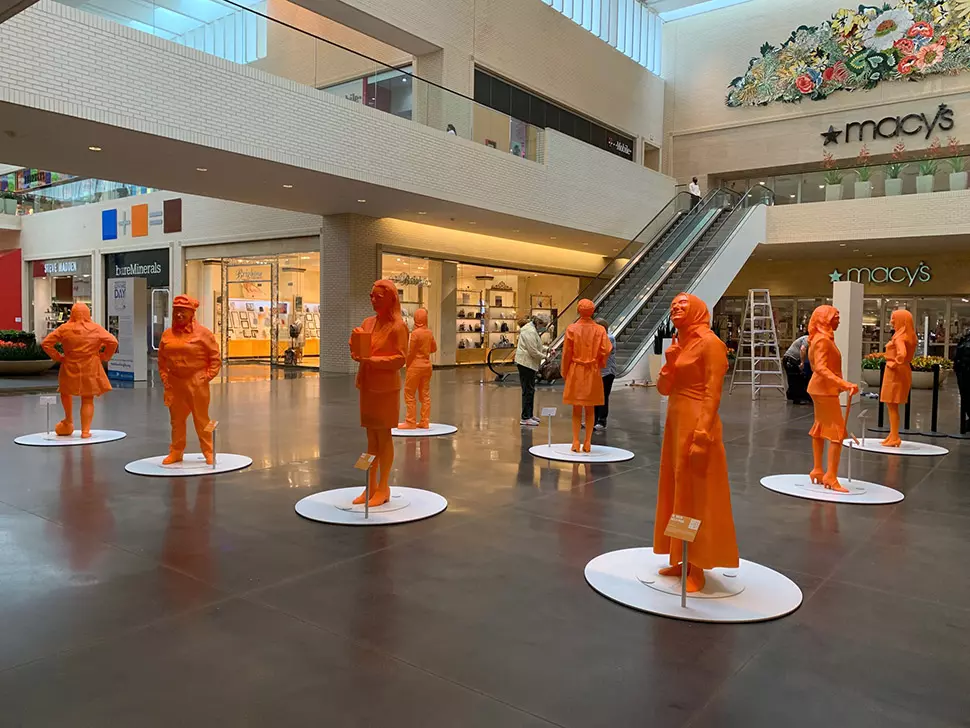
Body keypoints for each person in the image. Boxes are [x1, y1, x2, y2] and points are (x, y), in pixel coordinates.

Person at [653, 293, 737, 593]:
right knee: (678, 489)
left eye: (682, 305)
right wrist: (669, 363)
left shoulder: (711, 344)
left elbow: (713, 392)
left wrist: (702, 435)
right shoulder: (680, 345)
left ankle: (698, 563)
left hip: (697, 423)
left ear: (698, 310)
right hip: (676, 422)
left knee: (696, 492)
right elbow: (664, 389)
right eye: (673, 304)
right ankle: (681, 555)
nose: (675, 308)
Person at [350, 280, 409, 506]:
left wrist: (371, 360)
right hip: (367, 386)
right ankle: (370, 485)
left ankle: (383, 487)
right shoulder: (368, 322)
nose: (373, 301)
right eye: (371, 296)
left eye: (378, 297)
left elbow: (400, 359)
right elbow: (359, 346)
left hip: (385, 389)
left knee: (383, 437)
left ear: (391, 299)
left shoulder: (398, 327)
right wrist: (355, 346)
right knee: (370, 439)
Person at [158, 295, 221, 465]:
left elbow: (215, 358)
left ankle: (209, 451)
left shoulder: (203, 334)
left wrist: (207, 376)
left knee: (202, 419)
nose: (178, 315)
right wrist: (166, 379)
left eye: (183, 311)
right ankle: (176, 451)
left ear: (191, 313)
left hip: (196, 381)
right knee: (176, 420)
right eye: (176, 311)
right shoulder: (167, 334)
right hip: (175, 382)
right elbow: (162, 360)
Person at [41, 302, 118, 438]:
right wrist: (105, 356)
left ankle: (68, 420)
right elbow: (113, 342)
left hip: (69, 365)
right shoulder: (96, 328)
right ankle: (85, 431)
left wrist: (58, 357)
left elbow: (46, 343)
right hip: (91, 367)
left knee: (65, 393)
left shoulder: (64, 329)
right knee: (88, 399)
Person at [806, 305, 859, 493]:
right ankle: (830, 475)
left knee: (820, 427)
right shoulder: (822, 340)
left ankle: (818, 470)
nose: (838, 320)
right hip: (824, 390)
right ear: (825, 319)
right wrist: (843, 383)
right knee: (837, 431)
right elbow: (820, 367)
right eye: (835, 317)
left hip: (821, 389)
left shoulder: (819, 339)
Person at [562, 300, 612, 452]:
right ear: (593, 311)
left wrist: (565, 371)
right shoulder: (600, 330)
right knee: (590, 408)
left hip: (576, 370)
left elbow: (566, 353)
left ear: (578, 311)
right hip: (592, 370)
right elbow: (607, 349)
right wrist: (600, 362)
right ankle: (588, 442)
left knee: (576, 408)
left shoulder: (572, 329)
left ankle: (576, 441)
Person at [879, 309, 917, 448]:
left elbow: (902, 353)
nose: (891, 322)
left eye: (894, 319)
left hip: (895, 372)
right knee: (892, 405)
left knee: (891, 404)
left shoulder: (899, 337)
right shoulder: (909, 336)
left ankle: (894, 436)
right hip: (902, 370)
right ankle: (893, 434)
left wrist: (894, 362)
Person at [398, 307, 437, 430]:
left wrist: (407, 364)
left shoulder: (415, 334)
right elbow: (434, 349)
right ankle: (425, 421)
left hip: (415, 366)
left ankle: (410, 421)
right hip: (427, 366)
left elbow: (411, 352)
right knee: (425, 394)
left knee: (409, 393)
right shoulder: (429, 333)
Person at [515, 315, 546, 426]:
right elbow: (533, 351)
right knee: (527, 391)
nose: (544, 328)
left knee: (530, 390)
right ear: (539, 323)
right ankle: (525, 417)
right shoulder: (530, 331)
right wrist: (545, 357)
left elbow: (537, 346)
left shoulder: (531, 330)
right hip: (525, 364)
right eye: (543, 325)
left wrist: (548, 349)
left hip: (529, 364)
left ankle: (529, 414)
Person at [593, 318, 616, 431]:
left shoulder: (609, 338)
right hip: (597, 373)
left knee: (603, 396)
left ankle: (601, 421)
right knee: (595, 397)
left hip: (607, 372)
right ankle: (593, 419)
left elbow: (602, 352)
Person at [783, 334, 810, 404]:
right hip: (791, 359)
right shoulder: (807, 339)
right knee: (795, 378)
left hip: (793, 359)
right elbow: (803, 349)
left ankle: (791, 394)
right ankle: (797, 398)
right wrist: (802, 363)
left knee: (797, 378)